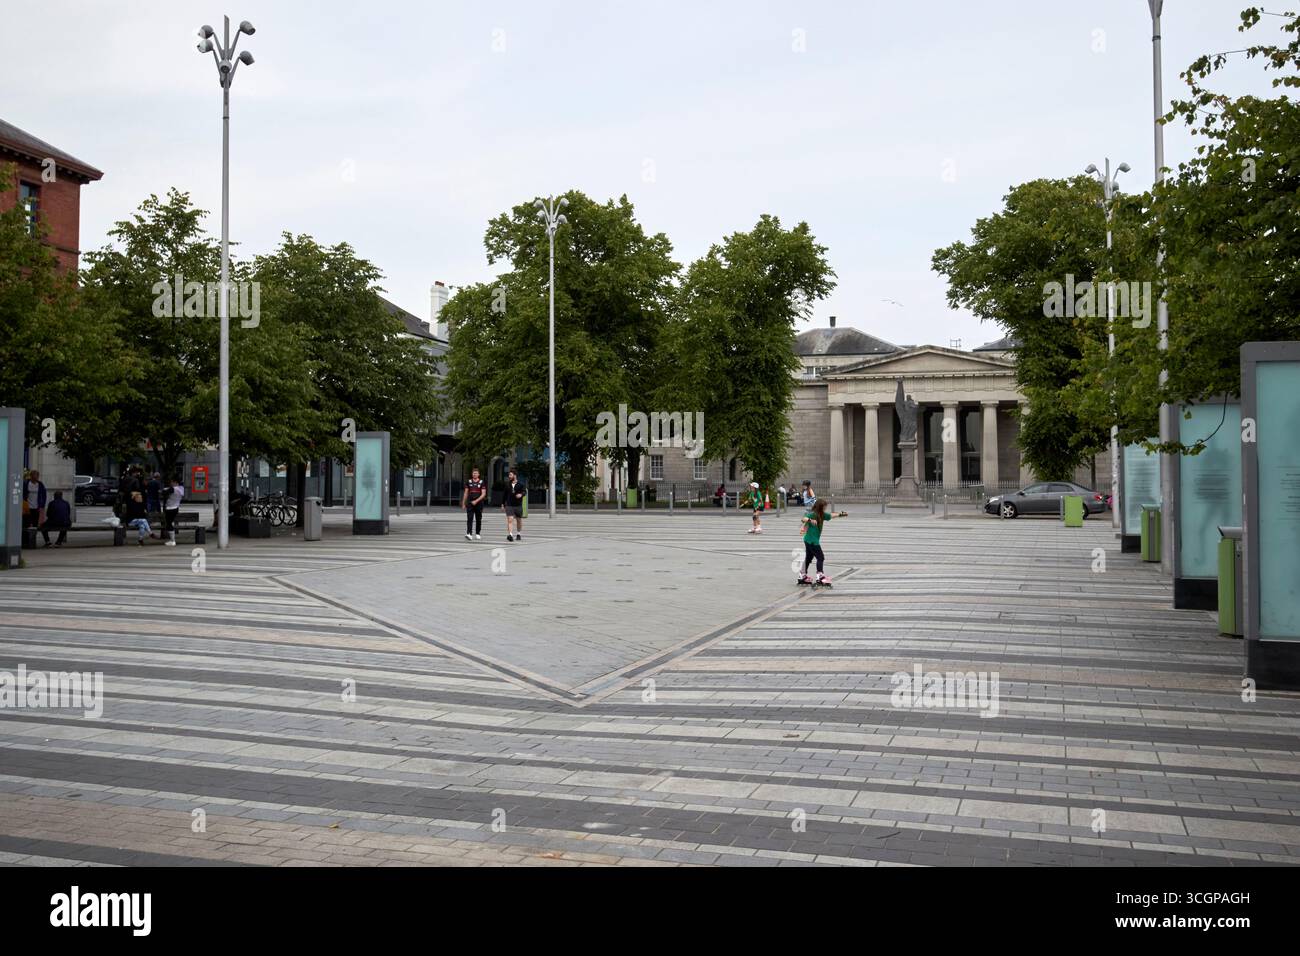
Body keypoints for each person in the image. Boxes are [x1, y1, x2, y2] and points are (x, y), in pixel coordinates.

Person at [798, 498, 848, 586]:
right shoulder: (813, 514)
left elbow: (831, 515)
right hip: (813, 541)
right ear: (820, 507)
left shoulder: (822, 515)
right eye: (824, 507)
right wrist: (810, 520)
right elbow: (803, 519)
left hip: (808, 540)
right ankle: (820, 576)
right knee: (820, 557)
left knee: (809, 558)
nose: (825, 509)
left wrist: (840, 514)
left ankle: (802, 575)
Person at [124, 474, 152, 545]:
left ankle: (140, 539)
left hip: (137, 521)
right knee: (144, 520)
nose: (140, 498)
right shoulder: (132, 504)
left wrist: (144, 511)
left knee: (142, 525)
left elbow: (142, 514)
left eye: (140, 497)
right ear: (135, 498)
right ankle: (151, 533)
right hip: (131, 521)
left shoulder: (141, 505)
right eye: (139, 497)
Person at [22, 470, 47, 546]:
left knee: (35, 524)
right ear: (31, 476)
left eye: (37, 476)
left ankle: (33, 540)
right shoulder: (26, 483)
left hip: (36, 507)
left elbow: (44, 495)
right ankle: (25, 541)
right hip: (27, 507)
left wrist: (42, 506)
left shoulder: (40, 485)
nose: (36, 478)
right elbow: (23, 494)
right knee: (26, 524)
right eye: (34, 476)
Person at [462, 467, 487, 540]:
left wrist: (476, 501)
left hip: (479, 503)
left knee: (478, 518)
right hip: (470, 503)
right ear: (472, 474)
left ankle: (478, 533)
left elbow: (483, 494)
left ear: (478, 474)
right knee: (469, 518)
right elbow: (466, 493)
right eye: (473, 473)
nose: (474, 474)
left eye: (476, 473)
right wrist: (463, 503)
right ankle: (469, 533)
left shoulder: (482, 482)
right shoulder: (469, 482)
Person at [502, 468, 526, 541]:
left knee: (519, 520)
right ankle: (510, 535)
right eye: (509, 475)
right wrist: (502, 504)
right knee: (510, 519)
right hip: (509, 505)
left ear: (514, 475)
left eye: (510, 475)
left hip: (518, 505)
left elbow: (525, 492)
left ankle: (518, 534)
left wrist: (521, 495)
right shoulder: (507, 485)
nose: (509, 476)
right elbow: (504, 495)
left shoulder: (521, 484)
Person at [162, 475, 184, 546]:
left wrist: (163, 490)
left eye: (172, 482)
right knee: (169, 523)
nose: (171, 483)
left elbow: (164, 492)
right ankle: (172, 540)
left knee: (169, 524)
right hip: (176, 507)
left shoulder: (173, 489)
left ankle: (172, 540)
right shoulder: (181, 488)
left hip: (170, 508)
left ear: (175, 482)